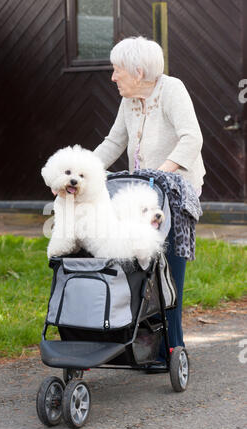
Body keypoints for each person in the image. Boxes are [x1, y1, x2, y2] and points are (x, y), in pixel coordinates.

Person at [93, 36, 206, 361]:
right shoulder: (129, 99)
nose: (113, 77)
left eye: (117, 71)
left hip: (175, 193)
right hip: (141, 195)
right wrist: (82, 171)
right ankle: (143, 343)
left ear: (138, 71)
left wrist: (161, 173)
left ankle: (172, 346)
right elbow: (114, 142)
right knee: (139, 267)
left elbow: (191, 138)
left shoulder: (172, 90)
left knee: (168, 270)